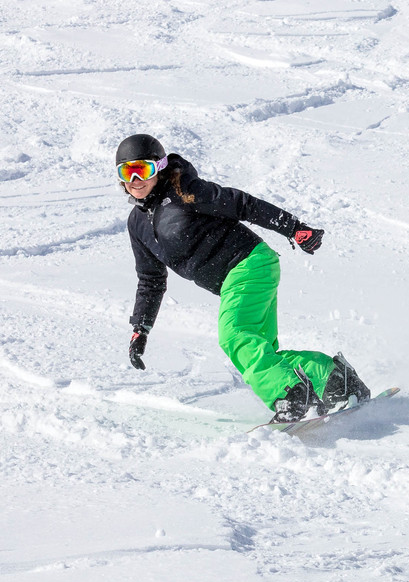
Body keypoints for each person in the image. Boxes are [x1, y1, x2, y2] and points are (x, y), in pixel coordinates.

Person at [115, 134, 369, 421]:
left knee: (234, 335)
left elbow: (242, 204)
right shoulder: (137, 224)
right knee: (261, 352)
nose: (136, 179)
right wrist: (141, 328)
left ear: (159, 168)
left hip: (248, 263)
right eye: (127, 171)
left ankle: (290, 393)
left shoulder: (184, 191)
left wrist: (294, 229)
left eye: (143, 169)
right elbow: (150, 279)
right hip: (237, 278)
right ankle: (335, 380)